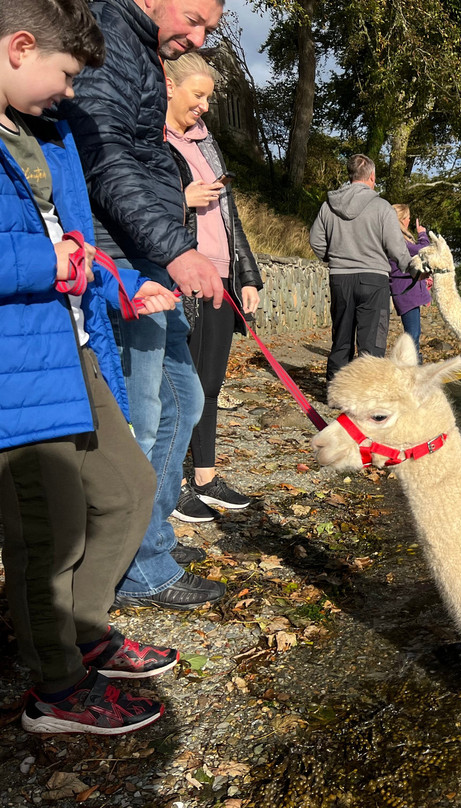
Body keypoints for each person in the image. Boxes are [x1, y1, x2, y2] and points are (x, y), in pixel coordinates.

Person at [0, 0, 183, 734]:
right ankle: (56, 689)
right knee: (50, 530)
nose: (71, 91)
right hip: (17, 367)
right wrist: (51, 262)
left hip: (71, 346)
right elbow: (48, 252)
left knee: (129, 489)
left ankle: (83, 628)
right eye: (66, 73)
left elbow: (75, 242)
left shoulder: (46, 132)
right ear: (19, 46)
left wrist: (119, 283)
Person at [58, 0, 227, 609]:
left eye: (209, 27)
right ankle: (139, 568)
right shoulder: (108, 36)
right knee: (146, 416)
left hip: (149, 251)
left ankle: (150, 543)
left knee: (185, 400)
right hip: (121, 259)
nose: (199, 35)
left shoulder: (142, 48)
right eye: (195, 18)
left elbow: (139, 155)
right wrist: (176, 251)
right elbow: (104, 158)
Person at [162, 52, 262, 522]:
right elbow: (135, 203)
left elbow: (231, 216)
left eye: (208, 97)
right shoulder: (152, 141)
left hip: (222, 275)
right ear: (169, 86)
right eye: (197, 95)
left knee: (212, 383)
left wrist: (246, 275)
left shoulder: (208, 144)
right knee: (184, 387)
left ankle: (205, 476)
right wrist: (182, 198)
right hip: (185, 275)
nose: (203, 106)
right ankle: (175, 484)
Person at [309, 153, 416, 381]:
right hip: (374, 279)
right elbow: (396, 247)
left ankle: (336, 393)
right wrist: (412, 268)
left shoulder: (329, 206)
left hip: (340, 278)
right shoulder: (382, 208)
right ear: (372, 177)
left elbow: (316, 240)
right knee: (371, 343)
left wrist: (334, 258)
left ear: (350, 175)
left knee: (341, 338)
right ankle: (367, 393)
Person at [389, 202, 432, 360]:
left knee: (414, 333)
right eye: (407, 218)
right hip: (406, 292)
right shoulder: (401, 241)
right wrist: (422, 234)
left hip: (408, 291)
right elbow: (424, 251)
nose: (409, 221)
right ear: (401, 220)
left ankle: (413, 367)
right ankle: (412, 369)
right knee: (412, 334)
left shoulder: (400, 239)